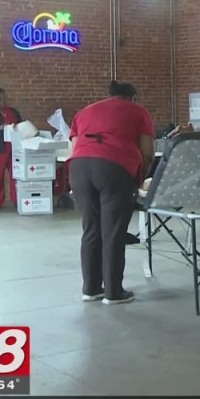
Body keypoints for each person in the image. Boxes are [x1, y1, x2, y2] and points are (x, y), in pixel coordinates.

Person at [68, 81, 155, 305]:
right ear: (133, 97)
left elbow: (74, 146)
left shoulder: (85, 111)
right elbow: (147, 150)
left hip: (78, 168)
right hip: (113, 168)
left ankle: (90, 289)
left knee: (91, 228)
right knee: (113, 232)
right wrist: (139, 178)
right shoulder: (138, 111)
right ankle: (113, 292)